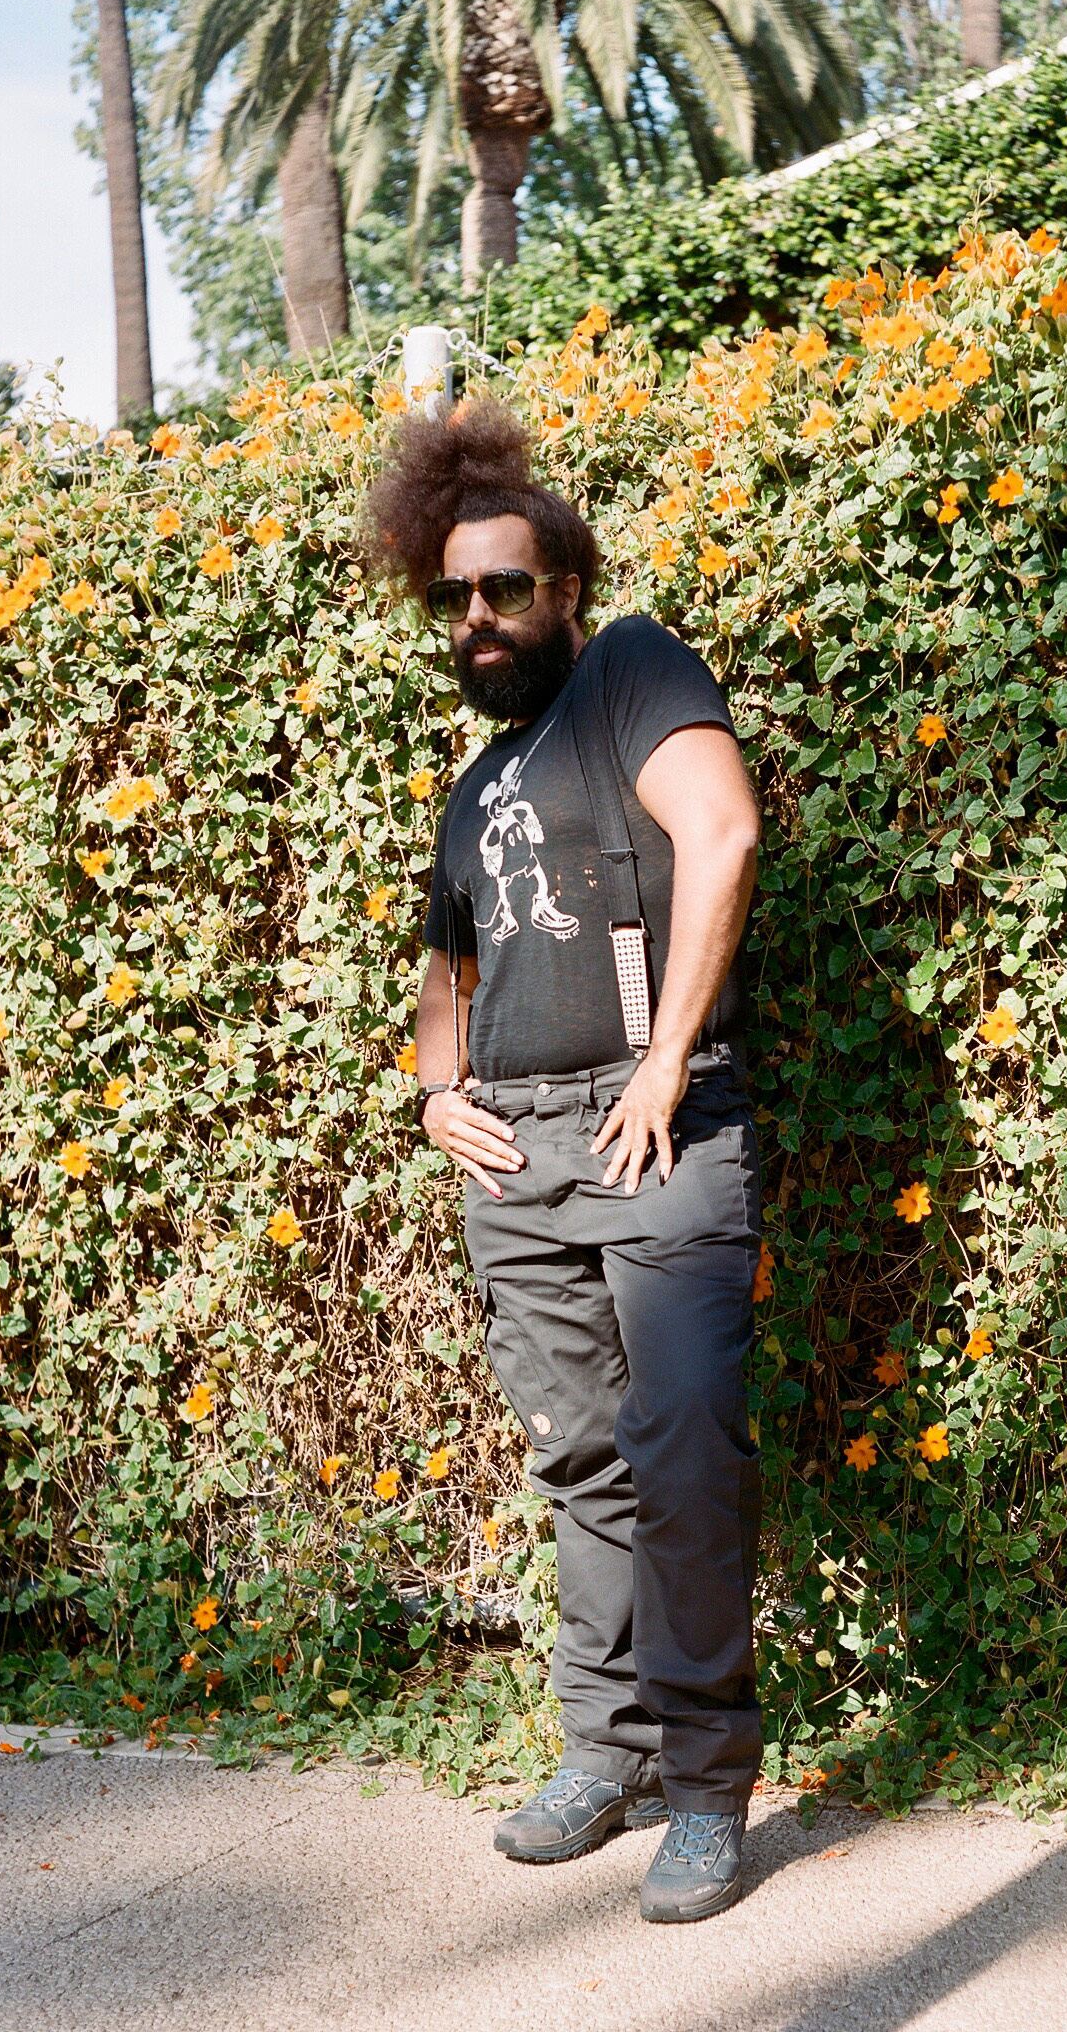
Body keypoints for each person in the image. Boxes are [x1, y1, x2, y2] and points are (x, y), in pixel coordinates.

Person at [359, 397, 765, 1923]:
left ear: (565, 591)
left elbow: (719, 837)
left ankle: (711, 1787)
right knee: (579, 1457)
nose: (479, 615)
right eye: (453, 596)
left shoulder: (633, 673)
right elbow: (444, 967)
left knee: (679, 1450)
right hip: (515, 1156)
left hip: (655, 1118)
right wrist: (435, 1091)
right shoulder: (477, 788)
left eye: (506, 587)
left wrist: (665, 1056)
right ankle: (609, 1752)